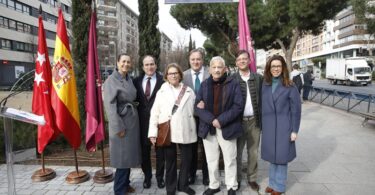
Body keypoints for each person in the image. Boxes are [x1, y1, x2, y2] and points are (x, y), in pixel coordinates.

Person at [195, 56, 243, 195]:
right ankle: (214, 185)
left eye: (219, 67)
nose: (216, 70)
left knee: (230, 159)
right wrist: (212, 120)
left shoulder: (233, 84)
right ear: (209, 69)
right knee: (211, 160)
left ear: (225, 69)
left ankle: (231, 186)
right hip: (208, 128)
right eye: (214, 67)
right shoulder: (204, 85)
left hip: (227, 127)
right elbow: (198, 107)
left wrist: (220, 120)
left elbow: (238, 106)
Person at [148, 63, 197, 195]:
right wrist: (153, 133)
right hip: (168, 130)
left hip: (186, 128)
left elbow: (195, 110)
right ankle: (171, 187)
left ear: (180, 75)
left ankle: (183, 185)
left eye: (176, 73)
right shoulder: (161, 92)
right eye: (170, 73)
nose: (173, 75)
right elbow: (154, 113)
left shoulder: (189, 91)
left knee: (187, 160)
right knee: (170, 162)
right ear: (166, 76)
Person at [261, 55, 301, 195]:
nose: (275, 69)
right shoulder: (265, 84)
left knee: (282, 158)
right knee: (273, 157)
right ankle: (272, 183)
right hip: (269, 127)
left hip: (284, 127)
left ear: (283, 67)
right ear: (269, 68)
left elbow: (296, 110)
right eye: (273, 66)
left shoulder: (290, 85)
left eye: (278, 66)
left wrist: (294, 130)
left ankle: (279, 186)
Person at [103, 53, 141, 195]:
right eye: (123, 61)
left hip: (131, 121)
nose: (126, 64)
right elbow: (110, 107)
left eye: (128, 62)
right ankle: (119, 189)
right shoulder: (111, 81)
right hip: (120, 123)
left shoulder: (128, 79)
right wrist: (118, 127)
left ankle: (125, 184)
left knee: (128, 156)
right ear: (117, 62)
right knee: (122, 158)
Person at [232, 50, 262, 192]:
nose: (242, 61)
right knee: (237, 152)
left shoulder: (258, 78)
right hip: (238, 122)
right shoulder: (231, 79)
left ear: (249, 61)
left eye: (245, 58)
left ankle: (252, 178)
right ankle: (236, 179)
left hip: (254, 121)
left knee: (253, 151)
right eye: (239, 59)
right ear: (236, 62)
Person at [133, 55, 165, 189]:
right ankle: (147, 177)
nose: (149, 67)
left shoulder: (163, 81)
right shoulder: (136, 81)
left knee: (160, 152)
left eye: (152, 64)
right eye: (146, 65)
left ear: (156, 65)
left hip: (159, 122)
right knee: (144, 152)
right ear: (142, 67)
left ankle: (159, 177)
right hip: (142, 123)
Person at [182, 48, 210, 186]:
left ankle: (207, 176)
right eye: (193, 59)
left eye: (198, 59)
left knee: (207, 149)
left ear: (202, 60)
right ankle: (191, 175)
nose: (196, 61)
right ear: (189, 60)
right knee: (191, 149)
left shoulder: (211, 72)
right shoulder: (183, 76)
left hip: (207, 118)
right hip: (190, 118)